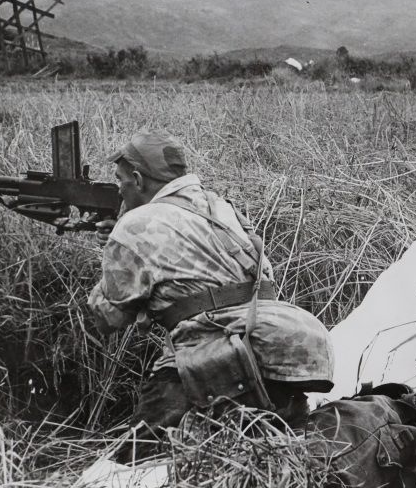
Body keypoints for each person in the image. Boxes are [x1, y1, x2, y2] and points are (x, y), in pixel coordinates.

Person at [87, 129, 335, 462]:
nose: (118, 189)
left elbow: (107, 317)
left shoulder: (134, 225)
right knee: (286, 462)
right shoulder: (219, 205)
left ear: (138, 179)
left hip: (213, 355)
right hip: (285, 347)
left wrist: (116, 249)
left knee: (134, 466)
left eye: (119, 181)